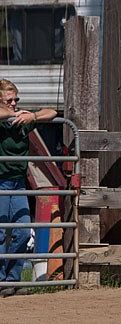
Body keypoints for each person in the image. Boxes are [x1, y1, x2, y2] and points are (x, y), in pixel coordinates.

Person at [0, 79, 57, 297]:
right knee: (1, 232)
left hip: (18, 181)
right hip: (1, 180)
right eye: (9, 100)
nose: (14, 103)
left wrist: (31, 116)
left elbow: (51, 112)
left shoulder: (23, 119)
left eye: (16, 100)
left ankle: (12, 280)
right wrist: (12, 114)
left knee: (23, 232)